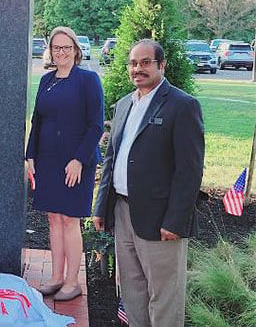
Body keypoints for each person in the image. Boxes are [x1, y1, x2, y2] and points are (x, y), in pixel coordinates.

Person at [93, 39, 204, 327]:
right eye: (133, 63)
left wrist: (175, 221)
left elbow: (189, 170)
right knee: (132, 291)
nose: (137, 69)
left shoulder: (182, 106)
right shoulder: (124, 105)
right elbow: (111, 159)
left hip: (160, 219)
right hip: (122, 211)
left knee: (164, 296)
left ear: (161, 65)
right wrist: (100, 206)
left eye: (145, 62)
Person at [26, 26, 104, 301]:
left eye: (66, 47)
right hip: (47, 160)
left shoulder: (88, 80)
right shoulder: (46, 81)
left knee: (70, 219)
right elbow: (38, 121)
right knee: (53, 219)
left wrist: (79, 160)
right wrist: (29, 155)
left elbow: (96, 126)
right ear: (50, 51)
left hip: (76, 163)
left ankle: (72, 282)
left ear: (76, 50)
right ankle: (56, 277)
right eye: (56, 48)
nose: (61, 52)